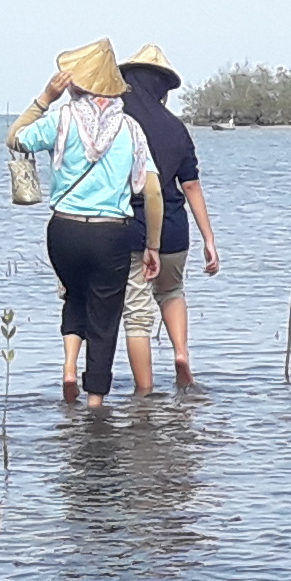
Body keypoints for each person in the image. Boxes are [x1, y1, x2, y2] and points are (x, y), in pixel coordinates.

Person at [13, 42, 157, 403]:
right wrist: (152, 245)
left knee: (74, 296)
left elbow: (14, 138)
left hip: (63, 229)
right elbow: (151, 193)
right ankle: (95, 399)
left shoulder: (60, 119)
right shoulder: (130, 129)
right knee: (105, 317)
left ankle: (68, 366)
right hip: (111, 233)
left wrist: (45, 96)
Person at [117, 43, 218, 397]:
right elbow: (190, 184)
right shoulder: (176, 128)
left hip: (132, 229)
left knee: (136, 314)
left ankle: (144, 393)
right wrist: (209, 239)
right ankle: (180, 353)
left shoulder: (117, 126)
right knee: (172, 291)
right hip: (176, 229)